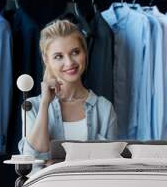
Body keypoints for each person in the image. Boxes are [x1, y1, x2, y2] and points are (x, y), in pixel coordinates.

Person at [18, 19, 118, 165]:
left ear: (85, 52)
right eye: (58, 56)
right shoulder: (32, 106)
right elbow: (32, 159)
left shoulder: (104, 108)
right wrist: (45, 104)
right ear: (46, 60)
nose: (70, 62)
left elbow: (112, 166)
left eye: (75, 52)